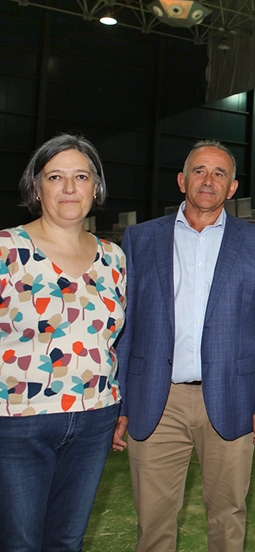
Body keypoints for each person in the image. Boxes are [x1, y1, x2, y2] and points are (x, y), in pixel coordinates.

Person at [112, 140, 255, 552]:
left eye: (219, 174)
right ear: (181, 180)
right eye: (199, 171)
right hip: (157, 399)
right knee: (153, 524)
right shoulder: (139, 240)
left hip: (232, 397)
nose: (208, 180)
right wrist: (119, 403)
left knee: (227, 517)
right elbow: (125, 326)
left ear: (232, 188)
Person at [0, 134, 125, 551]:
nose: (70, 188)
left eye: (81, 176)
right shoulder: (7, 248)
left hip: (95, 419)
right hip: (19, 423)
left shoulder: (114, 257)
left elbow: (114, 339)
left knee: (67, 541)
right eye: (56, 177)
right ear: (36, 188)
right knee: (19, 542)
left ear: (97, 187)